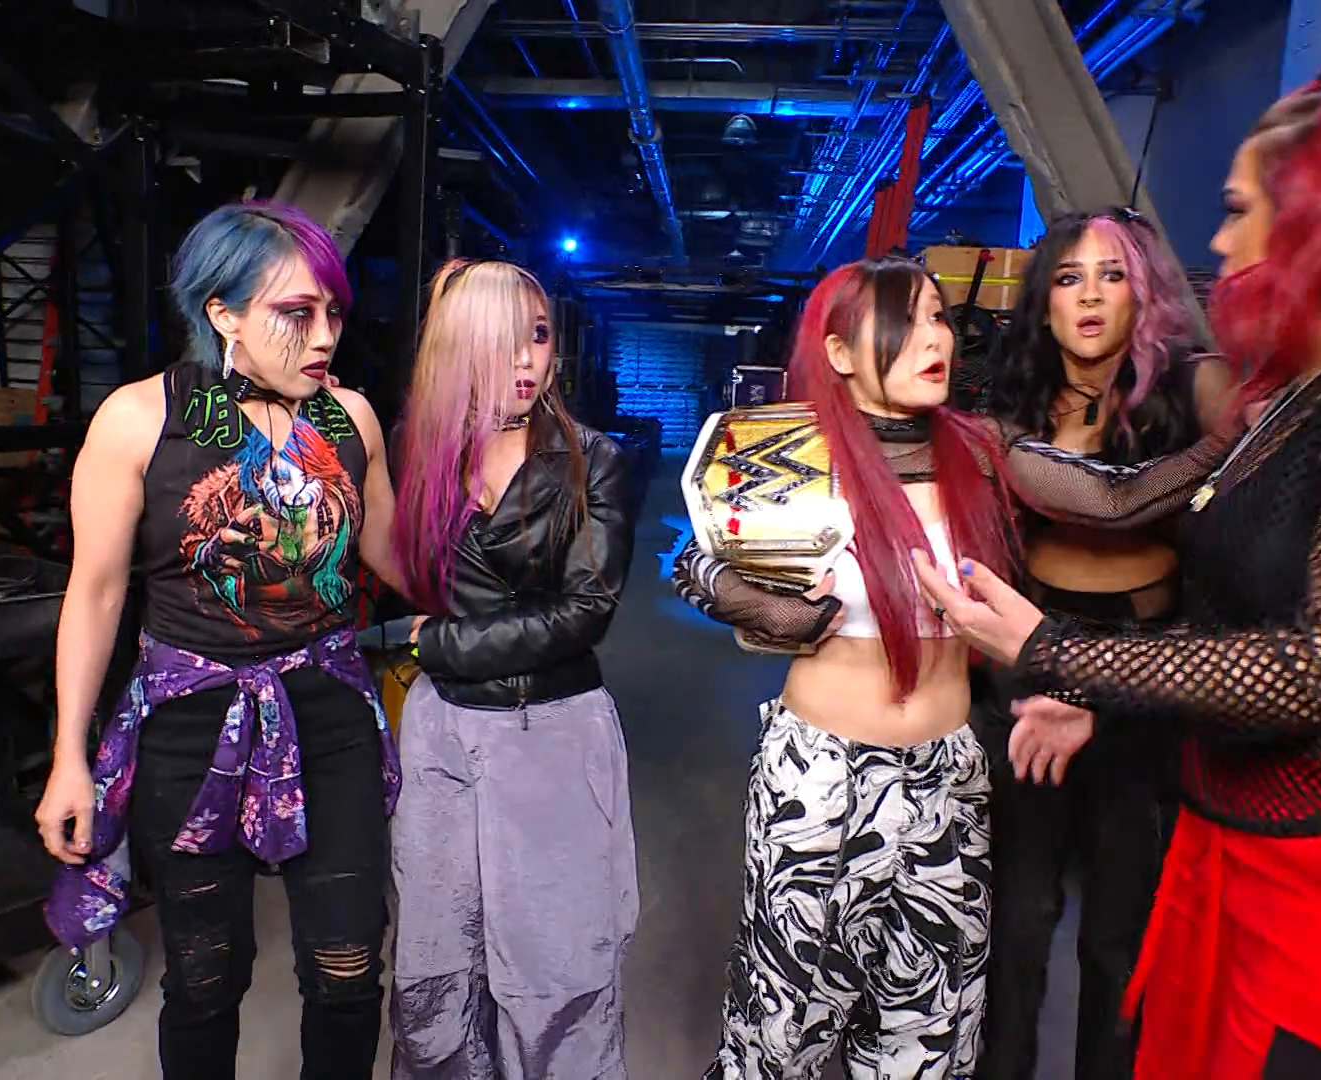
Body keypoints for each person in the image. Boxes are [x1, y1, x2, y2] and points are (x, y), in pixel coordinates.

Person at [917, 7, 1321, 1078]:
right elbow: (1241, 614)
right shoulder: (1309, 391)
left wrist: (1057, 652)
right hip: (1251, 854)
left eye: (1236, 211)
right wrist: (1106, 698)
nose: (1216, 246)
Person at [36, 201, 404, 1079]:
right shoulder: (140, 418)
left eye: (334, 312)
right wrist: (68, 758)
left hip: (329, 715)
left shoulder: (349, 417)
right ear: (223, 313)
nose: (325, 336)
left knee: (349, 971)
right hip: (190, 723)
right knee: (204, 978)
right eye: (296, 313)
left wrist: (500, 541)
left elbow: (395, 556)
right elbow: (95, 593)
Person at [673, 256, 1019, 1079]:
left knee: (929, 1034)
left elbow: (1110, 497)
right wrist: (769, 610)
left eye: (938, 317)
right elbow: (693, 563)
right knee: (781, 1030)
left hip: (946, 781)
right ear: (837, 352)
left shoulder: (981, 452)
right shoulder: (790, 450)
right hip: (818, 782)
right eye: (905, 321)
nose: (934, 339)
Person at [976, 207, 1232, 1080]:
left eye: (1111, 275)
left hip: (1146, 667)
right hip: (1031, 656)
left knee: (1120, 935)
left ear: (1144, 293)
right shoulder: (1016, 396)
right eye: (1069, 278)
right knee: (1018, 921)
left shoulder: (1196, 388)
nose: (1089, 296)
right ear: (1044, 302)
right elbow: (1058, 517)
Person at [386, 258, 638, 1078]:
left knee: (558, 971)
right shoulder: (420, 450)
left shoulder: (592, 459)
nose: (528, 361)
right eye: (503, 341)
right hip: (441, 736)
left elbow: (584, 612)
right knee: (436, 966)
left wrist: (432, 644)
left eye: (538, 336)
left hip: (552, 731)